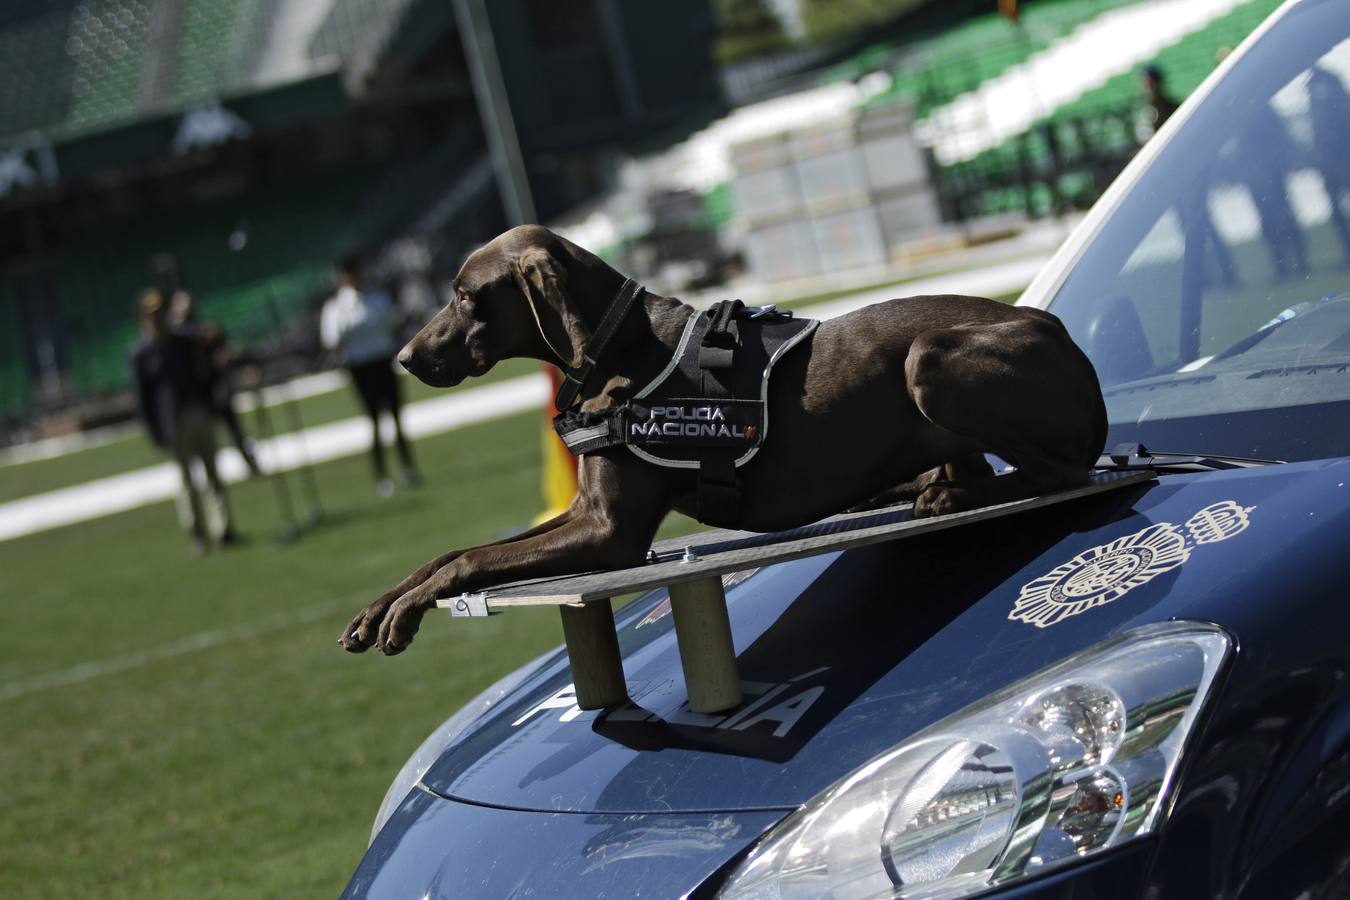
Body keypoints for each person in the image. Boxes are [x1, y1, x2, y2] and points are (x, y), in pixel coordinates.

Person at [129, 289, 237, 555]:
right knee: (187, 482)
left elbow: (209, 359)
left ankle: (223, 529)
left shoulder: (184, 341)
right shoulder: (140, 353)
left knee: (213, 474)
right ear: (143, 318)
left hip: (197, 412)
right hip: (173, 423)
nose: (158, 319)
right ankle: (198, 535)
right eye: (152, 315)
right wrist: (155, 432)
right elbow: (143, 399)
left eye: (161, 313)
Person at [320, 257, 420, 496]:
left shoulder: (377, 298)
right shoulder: (337, 307)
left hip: (382, 360)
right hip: (361, 367)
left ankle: (408, 468)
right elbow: (331, 340)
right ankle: (382, 476)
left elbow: (393, 323)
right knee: (375, 421)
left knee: (396, 416)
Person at [168, 290, 262, 475]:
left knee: (235, 431)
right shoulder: (179, 337)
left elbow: (225, 351)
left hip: (216, 390)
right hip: (197, 397)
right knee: (201, 439)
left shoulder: (205, 331)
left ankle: (250, 463)